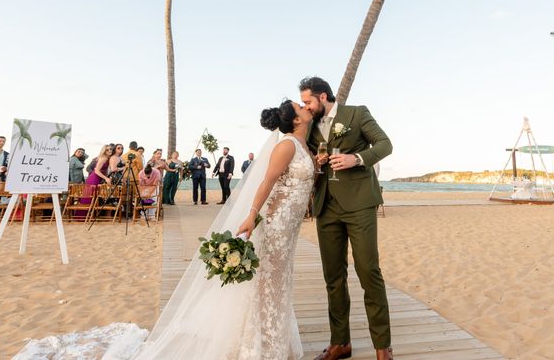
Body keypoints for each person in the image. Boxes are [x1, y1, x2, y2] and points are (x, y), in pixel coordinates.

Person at [135, 99, 315, 359]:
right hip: (277, 223)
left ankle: (273, 337)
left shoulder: (301, 144)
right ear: (295, 120)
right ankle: (258, 344)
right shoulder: (286, 145)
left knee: (279, 279)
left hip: (290, 226)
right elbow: (266, 182)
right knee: (269, 280)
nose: (307, 107)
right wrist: (252, 215)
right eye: (301, 107)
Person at [300, 76, 393, 360]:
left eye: (308, 101)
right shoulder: (310, 126)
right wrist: (315, 161)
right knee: (333, 277)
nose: (306, 107)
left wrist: (357, 159)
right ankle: (340, 342)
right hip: (326, 207)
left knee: (369, 272)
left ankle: (382, 347)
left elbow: (385, 145)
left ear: (324, 96)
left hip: (360, 205)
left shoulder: (357, 113)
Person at [79, 145, 112, 220]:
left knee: (93, 197)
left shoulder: (107, 158)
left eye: (110, 149)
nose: (109, 150)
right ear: (104, 151)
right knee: (88, 197)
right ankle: (81, 216)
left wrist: (106, 177)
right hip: (94, 178)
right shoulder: (103, 158)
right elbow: (96, 170)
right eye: (107, 150)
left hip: (98, 178)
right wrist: (106, 178)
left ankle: (90, 216)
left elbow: (104, 170)